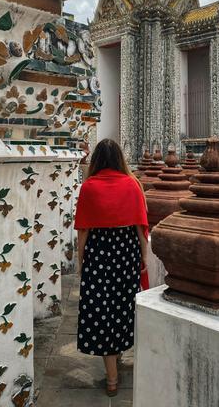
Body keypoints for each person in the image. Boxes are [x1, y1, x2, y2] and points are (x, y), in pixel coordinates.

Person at [74, 138, 149, 397]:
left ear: (97, 160)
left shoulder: (89, 187)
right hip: (126, 250)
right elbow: (141, 225)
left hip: (99, 251)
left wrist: (81, 261)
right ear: (120, 158)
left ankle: (112, 378)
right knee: (122, 306)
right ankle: (116, 356)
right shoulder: (132, 184)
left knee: (101, 308)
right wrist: (144, 257)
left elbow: (83, 230)